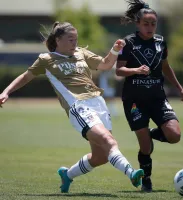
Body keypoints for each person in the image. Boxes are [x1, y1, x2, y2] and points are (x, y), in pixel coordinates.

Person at [0, 21, 144, 193]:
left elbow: (105, 64)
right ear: (58, 40)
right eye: (70, 40)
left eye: (75, 40)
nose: (74, 43)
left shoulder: (81, 53)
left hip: (98, 103)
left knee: (101, 157)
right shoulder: (46, 60)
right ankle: (132, 173)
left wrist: (115, 49)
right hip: (79, 106)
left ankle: (67, 175)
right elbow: (25, 77)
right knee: (109, 141)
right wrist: (6, 92)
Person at [116, 0, 183, 192]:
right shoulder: (128, 42)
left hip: (157, 98)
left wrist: (180, 89)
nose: (150, 27)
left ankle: (148, 135)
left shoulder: (160, 42)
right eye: (146, 23)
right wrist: (136, 70)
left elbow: (165, 67)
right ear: (138, 24)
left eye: (153, 24)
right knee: (146, 149)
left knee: (174, 136)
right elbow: (119, 70)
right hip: (134, 101)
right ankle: (146, 179)